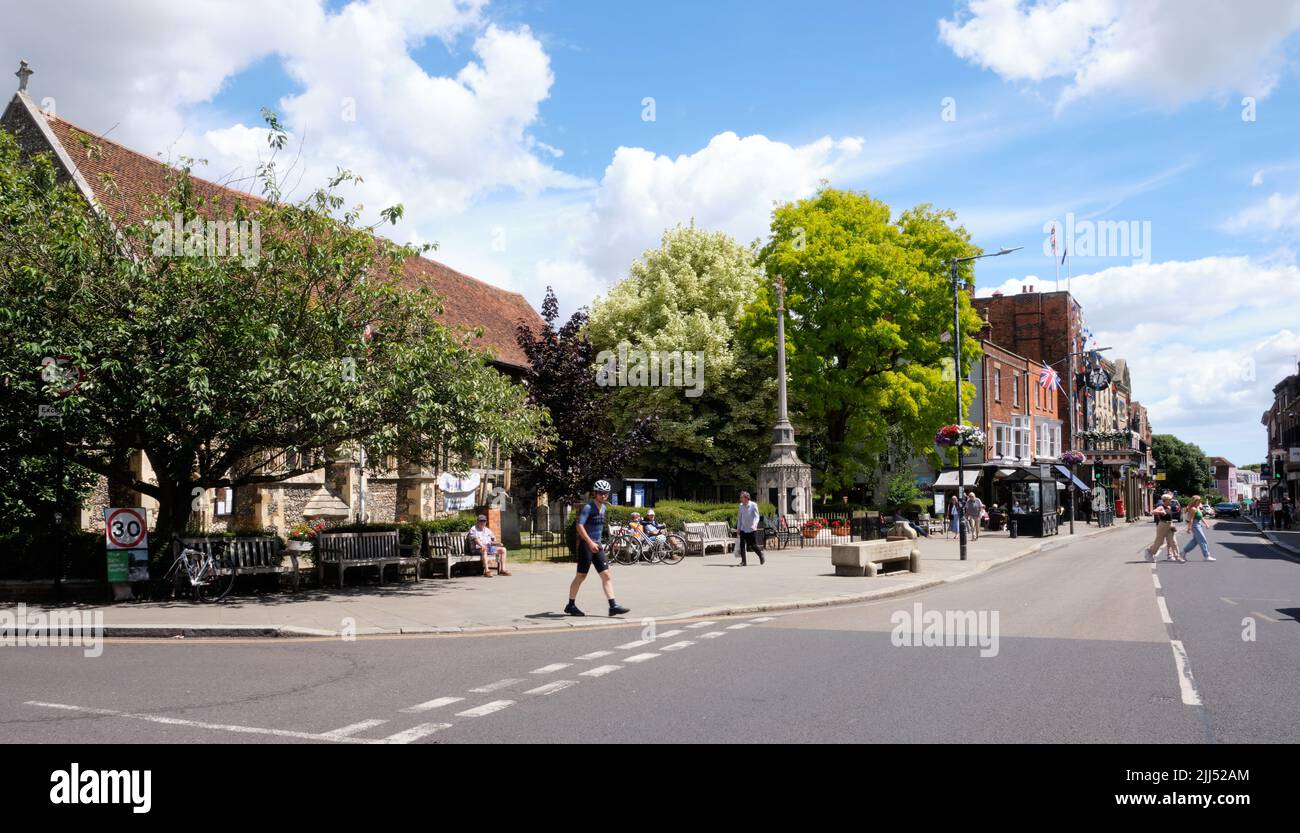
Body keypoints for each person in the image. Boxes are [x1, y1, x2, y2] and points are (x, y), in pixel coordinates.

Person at [566, 481, 629, 617]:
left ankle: (613, 606)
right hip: (586, 545)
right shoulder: (588, 507)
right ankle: (570, 605)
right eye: (601, 493)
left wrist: (603, 542)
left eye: (606, 493)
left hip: (598, 545)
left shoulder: (604, 508)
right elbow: (579, 526)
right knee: (581, 576)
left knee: (606, 575)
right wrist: (589, 542)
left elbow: (598, 529)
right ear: (595, 493)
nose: (603, 496)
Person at [1143, 492, 1182, 562]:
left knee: (1173, 542)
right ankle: (1150, 552)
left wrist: (1172, 524)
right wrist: (1161, 512)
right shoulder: (1161, 507)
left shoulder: (1169, 507)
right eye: (1169, 500)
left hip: (1170, 525)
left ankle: (1177, 557)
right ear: (1165, 500)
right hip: (1162, 525)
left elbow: (1170, 517)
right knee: (1159, 542)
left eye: (1171, 499)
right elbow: (1153, 511)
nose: (1171, 501)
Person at [1181, 496, 1216, 562]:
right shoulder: (1193, 509)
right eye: (1198, 501)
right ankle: (1207, 556)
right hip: (1195, 526)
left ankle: (1183, 552)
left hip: (1198, 525)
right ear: (1194, 501)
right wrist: (1189, 528)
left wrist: (1206, 524)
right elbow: (1191, 519)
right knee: (1203, 539)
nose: (1200, 502)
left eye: (1200, 501)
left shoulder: (1197, 508)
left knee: (1195, 541)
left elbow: (1201, 517)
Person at [736, 491, 766, 566]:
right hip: (743, 528)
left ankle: (760, 555)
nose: (740, 499)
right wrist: (738, 528)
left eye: (741, 497)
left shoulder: (753, 505)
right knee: (742, 545)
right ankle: (743, 561)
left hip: (751, 528)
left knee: (753, 545)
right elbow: (739, 518)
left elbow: (757, 516)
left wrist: (754, 524)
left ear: (746, 498)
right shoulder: (740, 506)